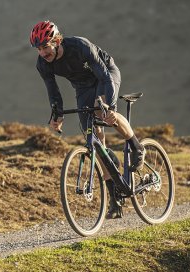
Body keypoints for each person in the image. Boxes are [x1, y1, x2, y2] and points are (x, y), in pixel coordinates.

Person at [30, 20, 145, 219]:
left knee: (102, 115)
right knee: (94, 141)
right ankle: (115, 200)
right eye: (38, 49)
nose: (42, 53)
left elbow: (105, 78)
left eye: (45, 47)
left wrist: (108, 106)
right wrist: (56, 115)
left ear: (57, 41)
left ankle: (136, 146)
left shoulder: (80, 47)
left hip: (105, 75)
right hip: (82, 87)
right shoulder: (43, 64)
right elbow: (53, 92)